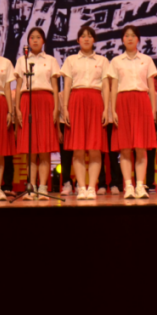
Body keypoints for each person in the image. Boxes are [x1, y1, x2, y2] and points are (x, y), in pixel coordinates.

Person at [106, 26, 157, 199]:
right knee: (125, 148)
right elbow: (114, 88)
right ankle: (128, 185)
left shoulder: (147, 60)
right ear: (122, 39)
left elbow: (151, 87)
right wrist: (112, 110)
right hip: (123, 102)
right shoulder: (116, 61)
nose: (130, 38)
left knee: (141, 147)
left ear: (138, 39)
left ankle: (140, 186)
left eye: (133, 35)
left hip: (142, 102)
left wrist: (152, 109)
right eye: (127, 35)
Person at [59, 26, 110, 200]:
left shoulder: (103, 60)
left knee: (95, 148)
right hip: (76, 101)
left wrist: (106, 109)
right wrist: (65, 108)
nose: (86, 39)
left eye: (89, 36)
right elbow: (67, 85)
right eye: (83, 36)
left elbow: (105, 86)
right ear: (78, 40)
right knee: (78, 149)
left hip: (96, 102)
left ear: (94, 40)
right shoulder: (71, 60)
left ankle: (91, 188)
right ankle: (81, 187)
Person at [14, 27, 61, 199]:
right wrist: (17, 108)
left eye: (38, 37)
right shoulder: (22, 60)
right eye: (32, 37)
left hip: (46, 101)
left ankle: (42, 188)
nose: (34, 40)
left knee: (44, 149)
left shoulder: (51, 60)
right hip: (27, 101)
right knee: (30, 150)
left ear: (43, 41)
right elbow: (19, 86)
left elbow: (55, 86)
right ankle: (31, 188)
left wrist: (56, 108)